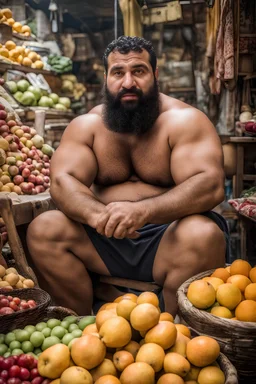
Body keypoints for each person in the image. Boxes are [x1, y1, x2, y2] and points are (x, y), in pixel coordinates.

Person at [27, 36, 228, 316]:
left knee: (204, 233)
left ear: (155, 75)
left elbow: (209, 185)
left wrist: (143, 211)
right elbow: (63, 181)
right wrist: (98, 215)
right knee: (44, 228)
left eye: (139, 71)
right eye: (118, 73)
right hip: (103, 239)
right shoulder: (87, 126)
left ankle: (175, 335)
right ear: (106, 77)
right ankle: (79, 328)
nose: (128, 82)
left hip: (168, 238)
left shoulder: (185, 121)